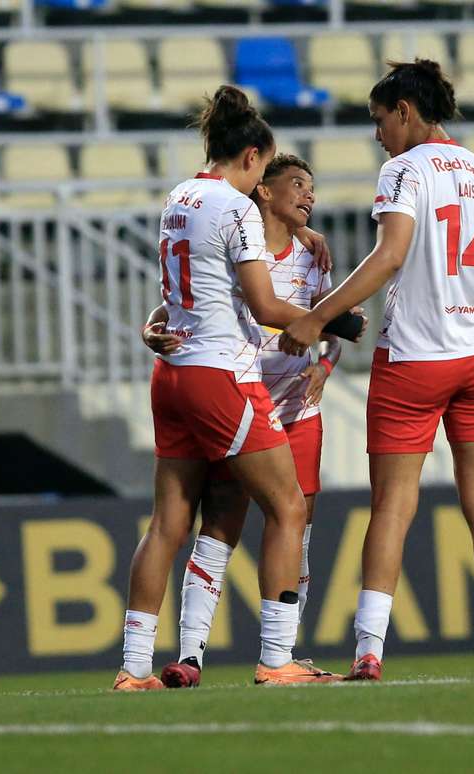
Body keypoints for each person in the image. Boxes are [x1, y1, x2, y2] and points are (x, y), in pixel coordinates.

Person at [279, 59, 474, 679]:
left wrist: (317, 317)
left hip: (417, 357)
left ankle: (368, 652)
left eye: (379, 119)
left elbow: (390, 256)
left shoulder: (404, 169)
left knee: (392, 505)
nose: (377, 133)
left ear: (405, 112)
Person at [113, 86, 362, 690]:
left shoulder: (178, 196)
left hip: (170, 375)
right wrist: (332, 319)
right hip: (222, 374)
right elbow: (263, 302)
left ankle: (132, 669)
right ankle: (278, 659)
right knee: (287, 506)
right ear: (253, 157)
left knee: (167, 522)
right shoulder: (236, 206)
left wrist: (155, 326)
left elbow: (186, 288)